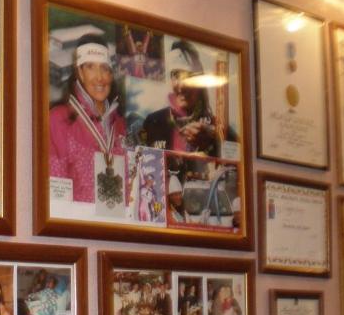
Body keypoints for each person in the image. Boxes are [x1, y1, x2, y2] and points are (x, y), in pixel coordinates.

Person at [48, 37, 126, 204]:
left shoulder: (120, 125)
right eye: (90, 67)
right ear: (80, 73)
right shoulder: (57, 120)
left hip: (117, 219)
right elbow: (55, 195)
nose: (99, 77)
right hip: (75, 220)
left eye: (104, 68)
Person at [138, 39, 238, 156]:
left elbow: (238, 161)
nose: (181, 86)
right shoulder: (153, 122)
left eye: (189, 77)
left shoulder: (220, 129)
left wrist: (209, 145)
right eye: (176, 75)